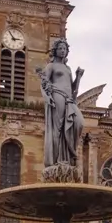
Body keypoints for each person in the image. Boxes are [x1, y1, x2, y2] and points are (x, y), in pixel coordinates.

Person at [36, 38, 84, 167]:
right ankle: (56, 161)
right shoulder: (51, 66)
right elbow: (44, 82)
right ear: (55, 51)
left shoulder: (68, 68)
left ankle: (69, 154)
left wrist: (78, 76)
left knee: (78, 123)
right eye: (60, 48)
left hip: (69, 99)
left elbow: (73, 89)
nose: (63, 51)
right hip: (57, 95)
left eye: (65, 49)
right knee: (57, 130)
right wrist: (47, 92)